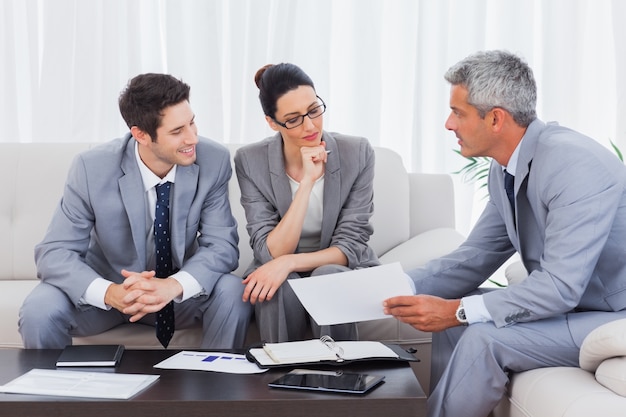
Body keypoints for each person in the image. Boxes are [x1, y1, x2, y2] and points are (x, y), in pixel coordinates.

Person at [383, 50, 626, 417]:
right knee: (458, 316)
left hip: (614, 315)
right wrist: (390, 287)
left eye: (458, 113)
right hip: (577, 309)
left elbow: (560, 287)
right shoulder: (505, 170)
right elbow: (475, 257)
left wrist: (459, 311)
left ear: (495, 118)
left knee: (482, 334)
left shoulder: (575, 165)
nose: (449, 124)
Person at [19, 73, 252, 349]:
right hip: (108, 297)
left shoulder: (214, 160)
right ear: (140, 134)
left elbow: (222, 246)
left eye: (192, 122)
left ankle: (216, 385)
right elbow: (54, 253)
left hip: (179, 298)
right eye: (177, 131)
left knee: (233, 293)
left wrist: (172, 286)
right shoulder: (90, 168)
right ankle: (56, 392)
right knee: (39, 309)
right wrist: (110, 293)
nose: (193, 138)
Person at [234, 63, 379, 343]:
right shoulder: (250, 161)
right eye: (293, 119)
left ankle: (339, 377)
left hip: (338, 267)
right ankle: (280, 379)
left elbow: (350, 246)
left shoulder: (357, 153)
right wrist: (307, 183)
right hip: (278, 268)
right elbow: (271, 253)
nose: (310, 126)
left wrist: (289, 262)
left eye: (314, 110)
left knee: (328, 276)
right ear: (272, 122)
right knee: (278, 285)